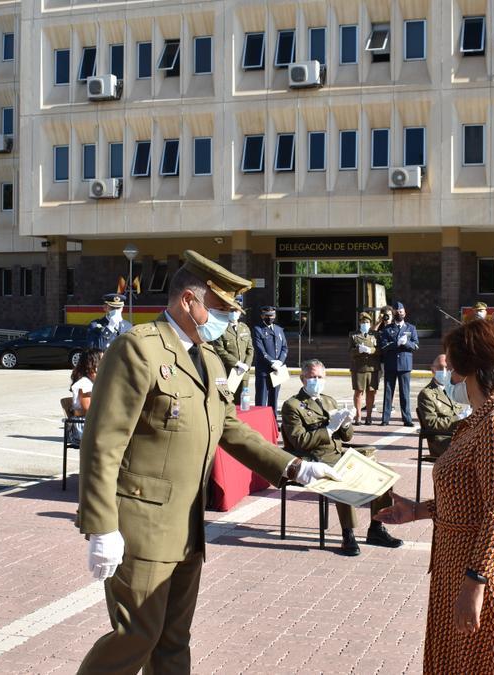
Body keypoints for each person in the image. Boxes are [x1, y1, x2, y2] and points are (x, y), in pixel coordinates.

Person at [75, 251, 340, 673]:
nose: (228, 320)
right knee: (136, 635)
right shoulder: (139, 349)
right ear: (188, 302)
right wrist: (102, 526)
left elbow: (230, 427)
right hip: (142, 525)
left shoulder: (210, 360)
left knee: (174, 640)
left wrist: (293, 466)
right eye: (219, 309)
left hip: (187, 526)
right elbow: (103, 443)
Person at [374, 318, 494, 674]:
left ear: (469, 367)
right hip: (460, 566)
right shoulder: (482, 418)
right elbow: (474, 499)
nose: (448, 372)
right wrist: (419, 511)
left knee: (489, 663)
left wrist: (476, 582)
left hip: (487, 576)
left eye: (451, 364)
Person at [281, 359, 403, 556]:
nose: (316, 380)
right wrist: (328, 429)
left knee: (385, 474)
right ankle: (348, 534)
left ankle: (377, 528)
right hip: (315, 459)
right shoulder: (292, 405)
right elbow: (299, 441)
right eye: (312, 377)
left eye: (320, 377)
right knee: (342, 479)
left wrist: (346, 423)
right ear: (302, 378)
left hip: (340, 455)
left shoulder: (329, 401)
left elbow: (347, 437)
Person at [417, 354, 468, 458]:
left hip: (459, 435)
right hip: (442, 439)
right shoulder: (427, 394)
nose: (444, 371)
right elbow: (431, 423)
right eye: (440, 367)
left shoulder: (453, 389)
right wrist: (458, 419)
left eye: (447, 367)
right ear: (433, 370)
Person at [378, 301, 419, 426]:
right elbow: (383, 346)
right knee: (388, 393)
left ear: (405, 313)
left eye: (401, 311)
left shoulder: (411, 328)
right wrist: (397, 344)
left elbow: (416, 345)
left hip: (405, 365)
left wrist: (406, 343)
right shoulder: (387, 329)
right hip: (391, 364)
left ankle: (407, 419)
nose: (399, 313)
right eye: (397, 312)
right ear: (394, 313)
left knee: (405, 393)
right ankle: (385, 419)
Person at [211, 295, 253, 400]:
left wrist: (246, 365)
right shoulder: (221, 328)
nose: (234, 313)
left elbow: (250, 349)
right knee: (228, 401)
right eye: (231, 311)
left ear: (240, 313)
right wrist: (237, 363)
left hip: (243, 373)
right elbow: (219, 350)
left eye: (236, 311)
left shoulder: (244, 328)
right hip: (228, 372)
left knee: (243, 402)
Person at [251, 306, 287, 414]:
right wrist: (272, 362)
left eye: (272, 315)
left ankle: (273, 422)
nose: (270, 317)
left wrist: (280, 361)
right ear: (262, 316)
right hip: (264, 370)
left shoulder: (279, 329)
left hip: (277, 370)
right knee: (261, 399)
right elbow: (260, 350)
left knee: (274, 399)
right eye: (267, 316)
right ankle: (260, 422)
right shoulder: (258, 329)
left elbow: (284, 347)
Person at [349, 312, 381, 425]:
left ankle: (369, 416)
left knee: (371, 392)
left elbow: (380, 350)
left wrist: (370, 350)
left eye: (367, 322)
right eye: (363, 322)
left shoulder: (375, 335)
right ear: (359, 323)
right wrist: (358, 350)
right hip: (358, 368)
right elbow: (350, 352)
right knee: (358, 392)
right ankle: (358, 416)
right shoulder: (353, 335)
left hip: (372, 368)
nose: (365, 324)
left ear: (370, 323)